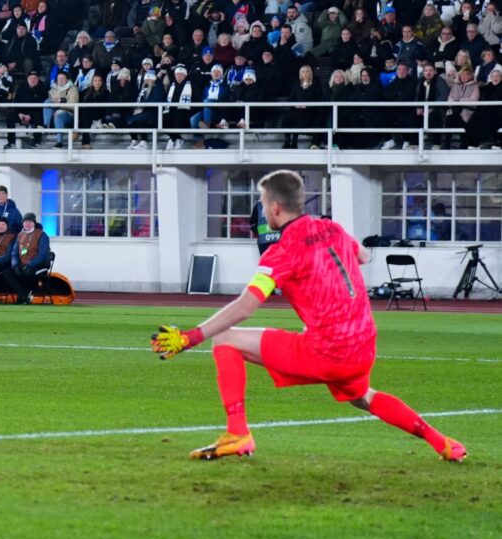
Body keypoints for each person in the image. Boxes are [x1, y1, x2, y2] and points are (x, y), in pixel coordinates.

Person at [150, 170, 467, 462]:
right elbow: (363, 255)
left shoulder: (282, 251)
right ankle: (444, 444)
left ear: (275, 208)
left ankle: (238, 433)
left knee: (225, 339)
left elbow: (246, 307)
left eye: (262, 203)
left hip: (328, 351)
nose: (262, 210)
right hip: (363, 346)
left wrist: (190, 338)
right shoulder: (333, 228)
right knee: (363, 397)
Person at [3, 212, 51, 303]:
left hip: (39, 265)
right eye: (25, 222)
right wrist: (15, 265)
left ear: (34, 223)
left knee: (27, 272)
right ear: (22, 223)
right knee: (7, 273)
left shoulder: (42, 235)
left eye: (30, 222)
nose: (27, 224)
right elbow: (14, 253)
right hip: (22, 264)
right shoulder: (20, 235)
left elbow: (43, 254)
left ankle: (23, 297)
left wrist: (30, 264)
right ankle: (25, 296)